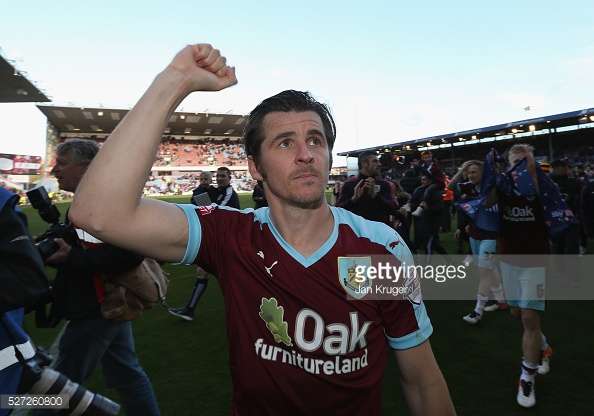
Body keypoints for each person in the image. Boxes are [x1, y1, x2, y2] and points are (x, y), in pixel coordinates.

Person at [69, 44, 455, 415]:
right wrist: (174, 80)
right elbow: (97, 213)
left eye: (315, 140)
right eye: (285, 143)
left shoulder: (378, 249)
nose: (306, 154)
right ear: (255, 168)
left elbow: (421, 381)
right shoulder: (230, 236)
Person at [35, 138, 160, 416]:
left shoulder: (102, 201)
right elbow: (86, 244)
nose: (55, 170)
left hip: (96, 309)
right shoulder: (87, 200)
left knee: (57, 388)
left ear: (87, 168)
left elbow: (129, 253)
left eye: (62, 163)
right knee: (127, 375)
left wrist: (72, 258)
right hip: (107, 305)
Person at [485, 144, 553, 408]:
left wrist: (531, 167)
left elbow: (535, 179)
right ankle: (543, 347)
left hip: (536, 258)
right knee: (516, 313)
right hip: (510, 258)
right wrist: (492, 175)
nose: (520, 168)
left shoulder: (540, 186)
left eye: (524, 163)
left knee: (528, 315)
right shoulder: (502, 188)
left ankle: (527, 376)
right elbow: (487, 202)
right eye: (515, 163)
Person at [169, 165, 241, 321]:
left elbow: (214, 212)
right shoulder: (215, 191)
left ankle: (247, 312)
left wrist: (204, 205)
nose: (220, 178)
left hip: (229, 242)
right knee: (203, 272)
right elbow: (200, 202)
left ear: (229, 178)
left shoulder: (229, 193)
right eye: (218, 176)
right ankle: (190, 309)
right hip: (216, 240)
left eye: (223, 176)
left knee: (236, 279)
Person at [448, 160, 507, 325]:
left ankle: (478, 311)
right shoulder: (468, 186)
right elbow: (451, 186)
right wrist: (462, 169)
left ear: (483, 172)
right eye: (469, 172)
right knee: (488, 268)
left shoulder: (493, 185)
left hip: (490, 235)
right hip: (474, 233)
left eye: (474, 172)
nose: (471, 175)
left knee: (484, 272)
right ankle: (501, 300)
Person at [335, 151, 399, 225]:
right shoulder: (349, 184)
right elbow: (338, 210)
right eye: (375, 161)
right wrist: (353, 199)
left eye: (379, 161)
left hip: (379, 232)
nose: (380, 164)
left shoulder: (385, 184)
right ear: (364, 164)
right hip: (356, 232)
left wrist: (375, 196)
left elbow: (394, 208)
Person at [549, 159, 582, 287]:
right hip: (555, 219)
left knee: (572, 247)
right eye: (563, 166)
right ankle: (560, 270)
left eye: (567, 167)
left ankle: (574, 278)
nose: (566, 169)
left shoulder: (573, 181)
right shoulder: (547, 182)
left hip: (571, 218)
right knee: (558, 246)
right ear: (556, 167)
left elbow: (580, 196)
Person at [415, 171, 453, 267]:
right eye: (421, 180)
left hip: (432, 223)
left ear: (430, 181)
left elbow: (440, 208)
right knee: (433, 244)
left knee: (427, 245)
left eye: (424, 180)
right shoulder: (424, 191)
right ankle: (450, 260)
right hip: (426, 221)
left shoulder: (435, 193)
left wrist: (428, 208)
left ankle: (427, 267)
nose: (422, 182)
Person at [412, 150, 446, 217]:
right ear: (423, 159)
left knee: (428, 190)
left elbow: (429, 174)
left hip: (438, 183)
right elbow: (417, 174)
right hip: (430, 182)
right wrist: (416, 167)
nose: (428, 159)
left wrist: (419, 166)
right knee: (417, 189)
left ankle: (421, 207)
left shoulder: (434, 164)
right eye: (426, 158)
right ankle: (410, 203)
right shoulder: (424, 165)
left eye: (429, 157)